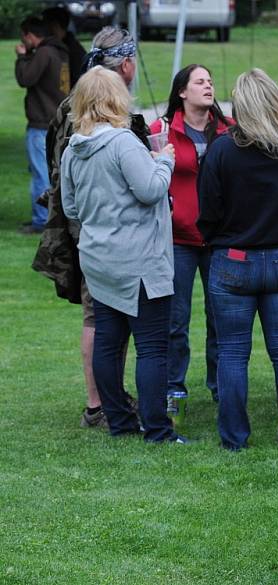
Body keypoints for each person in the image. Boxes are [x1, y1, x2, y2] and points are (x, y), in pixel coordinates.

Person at [60, 66, 185, 443]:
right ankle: (158, 431)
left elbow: (70, 208)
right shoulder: (124, 142)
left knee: (109, 342)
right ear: (117, 99)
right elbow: (149, 190)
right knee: (151, 347)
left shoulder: (72, 149)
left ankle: (119, 422)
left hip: (99, 260)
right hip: (140, 261)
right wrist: (164, 160)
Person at [32, 26, 145, 429]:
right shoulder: (112, 112)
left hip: (81, 226)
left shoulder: (69, 106)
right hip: (104, 230)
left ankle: (103, 400)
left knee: (99, 317)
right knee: (103, 318)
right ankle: (100, 404)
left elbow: (53, 165)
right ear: (127, 64)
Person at [198, 68, 278, 450]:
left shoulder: (222, 149)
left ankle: (234, 438)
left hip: (233, 258)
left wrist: (215, 239)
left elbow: (208, 209)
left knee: (231, 353)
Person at [149, 65, 232, 419]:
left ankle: (220, 386)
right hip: (178, 238)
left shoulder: (229, 130)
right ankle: (174, 386)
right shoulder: (162, 130)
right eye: (200, 82)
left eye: (211, 82)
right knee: (176, 320)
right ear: (182, 91)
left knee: (221, 317)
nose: (208, 86)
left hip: (219, 238)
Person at [15, 16, 69, 235]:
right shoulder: (60, 52)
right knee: (53, 173)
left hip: (41, 125)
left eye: (23, 37)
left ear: (29, 35)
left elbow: (26, 79)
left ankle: (41, 221)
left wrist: (22, 57)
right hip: (56, 120)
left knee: (41, 174)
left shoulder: (44, 53)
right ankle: (54, 219)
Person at [42, 6, 86, 88]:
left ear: (54, 25)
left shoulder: (71, 50)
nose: (42, 29)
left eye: (44, 23)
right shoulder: (67, 45)